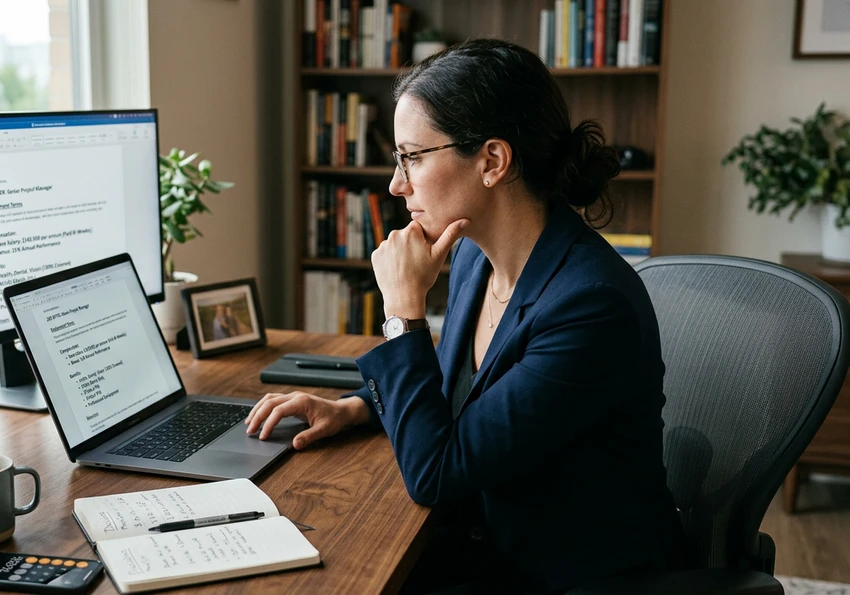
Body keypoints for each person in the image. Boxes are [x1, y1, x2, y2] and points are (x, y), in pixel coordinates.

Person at [245, 39, 686, 594]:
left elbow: (436, 474)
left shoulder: (590, 306)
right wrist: (358, 408)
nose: (396, 183)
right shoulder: (476, 254)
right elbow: (468, 400)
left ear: (492, 162)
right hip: (481, 540)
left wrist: (403, 312)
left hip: (558, 577)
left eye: (413, 157)